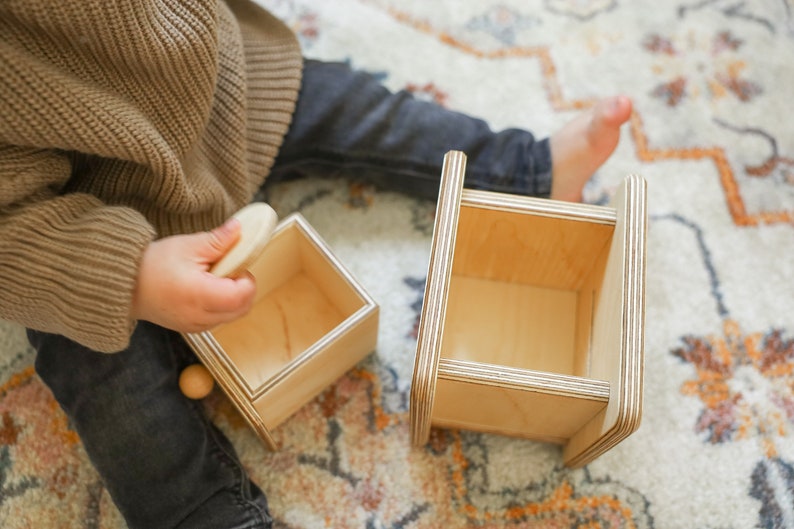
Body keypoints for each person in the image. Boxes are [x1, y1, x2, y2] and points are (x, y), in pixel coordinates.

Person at [0, 0, 633, 527]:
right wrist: (131, 276)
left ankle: (523, 170)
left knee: (362, 109)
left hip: (225, 98)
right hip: (85, 223)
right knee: (106, 384)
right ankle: (207, 515)